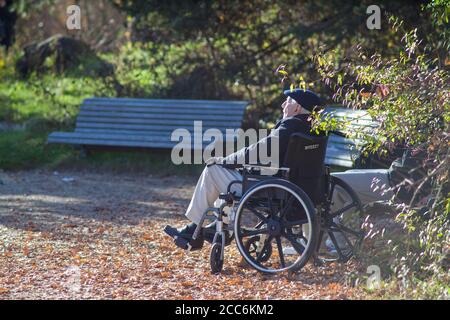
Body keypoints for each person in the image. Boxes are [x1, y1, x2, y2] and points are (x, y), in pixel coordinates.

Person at [164, 88, 323, 250]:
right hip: (300, 187)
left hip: (272, 188)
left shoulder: (290, 127)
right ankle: (215, 227)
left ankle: (194, 230)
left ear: (297, 108)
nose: (283, 104)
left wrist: (227, 161)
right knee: (226, 176)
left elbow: (258, 151)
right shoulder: (314, 130)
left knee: (213, 168)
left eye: (288, 101)